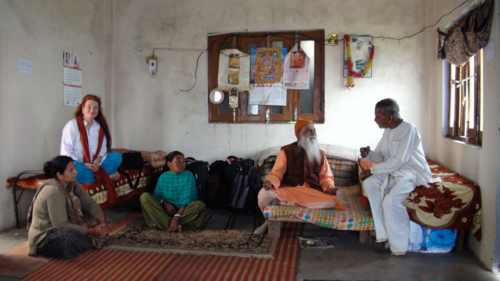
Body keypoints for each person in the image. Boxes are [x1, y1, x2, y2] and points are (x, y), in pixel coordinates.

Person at [360, 98, 432, 256]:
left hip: (410, 172)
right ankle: (383, 234)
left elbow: (400, 160)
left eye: (378, 116)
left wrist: (372, 170)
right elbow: (380, 156)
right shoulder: (387, 131)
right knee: (370, 184)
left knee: (391, 202)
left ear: (390, 118)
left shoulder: (409, 129)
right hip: (393, 171)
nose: (375, 119)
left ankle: (399, 248)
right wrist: (369, 154)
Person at [254, 118, 345, 235]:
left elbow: (326, 177)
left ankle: (289, 202)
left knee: (333, 201)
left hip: (310, 192)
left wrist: (328, 187)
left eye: (314, 131)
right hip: (290, 190)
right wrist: (270, 182)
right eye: (308, 131)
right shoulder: (286, 151)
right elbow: (277, 172)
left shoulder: (320, 155)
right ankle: (267, 221)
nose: (312, 134)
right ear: (298, 135)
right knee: (263, 194)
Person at [27, 156, 112, 259]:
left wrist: (102, 222)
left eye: (74, 168)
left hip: (69, 225)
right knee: (68, 238)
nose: (75, 172)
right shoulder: (54, 191)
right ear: (59, 175)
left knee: (107, 219)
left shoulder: (73, 184)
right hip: (46, 236)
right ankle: (93, 239)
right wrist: (92, 231)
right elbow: (61, 225)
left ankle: (94, 237)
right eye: (71, 170)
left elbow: (90, 204)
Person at [140, 151, 205, 232]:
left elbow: (188, 200)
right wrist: (165, 203)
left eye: (183, 162)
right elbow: (158, 197)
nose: (182, 164)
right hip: (165, 211)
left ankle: (165, 224)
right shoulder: (163, 176)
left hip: (184, 211)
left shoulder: (188, 175)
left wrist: (176, 217)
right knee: (145, 197)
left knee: (199, 205)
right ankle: (178, 226)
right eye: (178, 162)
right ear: (169, 164)